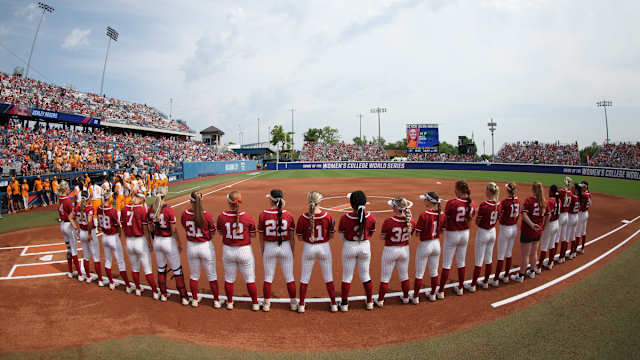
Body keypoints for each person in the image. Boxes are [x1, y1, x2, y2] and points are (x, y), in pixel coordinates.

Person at [295, 191, 338, 313]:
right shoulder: (329, 216)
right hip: (324, 247)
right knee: (328, 276)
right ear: (320, 201)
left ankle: (302, 305)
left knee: (304, 277)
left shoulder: (303, 217)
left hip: (309, 247)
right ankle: (334, 304)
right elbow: (331, 235)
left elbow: (299, 237)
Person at [217, 191, 259, 310]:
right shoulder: (247, 216)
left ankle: (229, 302)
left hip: (228, 250)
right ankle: (255, 303)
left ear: (228, 202)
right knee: (250, 279)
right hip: (244, 250)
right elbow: (253, 235)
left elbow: (220, 232)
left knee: (229, 278)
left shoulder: (222, 216)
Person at [257, 189, 298, 312]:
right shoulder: (289, 215)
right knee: (289, 277)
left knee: (268, 277)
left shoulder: (263, 214)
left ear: (271, 200)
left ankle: (266, 304)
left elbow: (261, 236)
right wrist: (292, 251)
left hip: (269, 246)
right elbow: (292, 237)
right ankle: (293, 303)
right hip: (285, 247)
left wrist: (263, 250)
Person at [337, 190, 376, 311]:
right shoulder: (371, 217)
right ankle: (369, 302)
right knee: (365, 274)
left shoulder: (345, 218)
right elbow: (371, 233)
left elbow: (341, 236)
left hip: (349, 246)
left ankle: (344, 304)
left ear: (351, 203)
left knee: (347, 276)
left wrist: (349, 243)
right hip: (364, 245)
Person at [437, 180, 475, 298]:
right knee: (461, 261)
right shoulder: (471, 203)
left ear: (459, 190)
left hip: (452, 233)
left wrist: (441, 228)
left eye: (455, 188)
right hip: (465, 233)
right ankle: (460, 287)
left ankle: (441, 291)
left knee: (447, 263)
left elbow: (444, 218)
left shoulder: (452, 203)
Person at [375, 197, 415, 307]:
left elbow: (382, 237)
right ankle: (406, 297)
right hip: (404, 250)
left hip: (390, 250)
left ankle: (380, 300)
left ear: (395, 208)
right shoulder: (411, 221)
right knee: (404, 275)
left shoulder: (389, 221)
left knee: (385, 277)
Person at [121, 190, 159, 298]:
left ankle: (137, 288)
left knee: (135, 267)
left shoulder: (124, 209)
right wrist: (149, 242)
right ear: (141, 199)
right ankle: (155, 292)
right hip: (140, 241)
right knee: (147, 268)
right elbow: (145, 229)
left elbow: (123, 226)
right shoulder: (142, 210)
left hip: (129, 241)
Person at [466, 183, 500, 292]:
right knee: (488, 258)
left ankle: (473, 285)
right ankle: (485, 281)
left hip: (483, 232)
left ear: (489, 192)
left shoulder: (484, 205)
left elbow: (477, 221)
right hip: (492, 231)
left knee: (479, 260)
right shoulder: (498, 204)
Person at [511, 181, 547, 283]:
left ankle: (521, 275)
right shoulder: (543, 201)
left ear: (533, 190)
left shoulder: (529, 201)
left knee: (525, 255)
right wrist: (541, 226)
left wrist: (531, 224)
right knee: (534, 252)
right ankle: (532, 271)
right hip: (538, 230)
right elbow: (545, 215)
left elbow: (524, 215)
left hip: (528, 230)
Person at [413, 192, 445, 303]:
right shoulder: (442, 214)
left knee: (419, 273)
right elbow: (442, 230)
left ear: (430, 201)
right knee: (434, 271)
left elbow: (417, 234)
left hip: (425, 245)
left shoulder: (424, 215)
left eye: (425, 199)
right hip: (436, 244)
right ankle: (432, 294)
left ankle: (416, 297)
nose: (424, 200)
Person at [97, 190, 132, 291]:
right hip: (113, 237)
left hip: (104, 237)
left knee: (108, 261)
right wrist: (120, 235)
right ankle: (128, 286)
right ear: (109, 198)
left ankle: (111, 282)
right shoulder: (112, 211)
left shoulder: (100, 208)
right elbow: (117, 226)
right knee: (120, 261)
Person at [491, 182, 520, 287]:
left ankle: (495, 279)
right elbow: (517, 216)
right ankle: (506, 276)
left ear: (508, 190)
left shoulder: (504, 202)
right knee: (508, 253)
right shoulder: (517, 200)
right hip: (514, 227)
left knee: (500, 255)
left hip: (506, 228)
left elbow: (499, 215)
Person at [57, 181, 82, 278]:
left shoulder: (60, 199)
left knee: (69, 249)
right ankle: (79, 274)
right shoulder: (67, 200)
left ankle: (70, 271)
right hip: (68, 225)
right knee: (74, 250)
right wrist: (76, 227)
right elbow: (73, 215)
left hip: (62, 225)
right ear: (66, 189)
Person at [538, 185, 560, 271]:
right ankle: (550, 263)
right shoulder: (558, 200)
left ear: (551, 192)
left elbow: (547, 215)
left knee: (544, 246)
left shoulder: (550, 202)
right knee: (552, 245)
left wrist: (543, 226)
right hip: (556, 223)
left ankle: (538, 267)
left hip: (550, 224)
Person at [556, 177, 573, 263]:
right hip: (567, 215)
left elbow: (556, 194)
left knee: (556, 238)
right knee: (564, 237)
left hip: (561, 215)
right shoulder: (570, 193)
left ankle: (551, 261)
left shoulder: (561, 192)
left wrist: (563, 188)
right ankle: (562, 257)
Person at [567, 183, 582, 259]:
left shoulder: (572, 197)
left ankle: (562, 256)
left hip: (570, 217)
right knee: (573, 236)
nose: (571, 188)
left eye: (573, 187)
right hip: (576, 217)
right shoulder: (579, 197)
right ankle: (573, 252)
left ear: (575, 190)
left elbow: (567, 194)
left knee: (566, 237)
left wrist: (567, 185)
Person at [576, 181, 592, 254]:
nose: (580, 188)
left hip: (582, 214)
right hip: (586, 213)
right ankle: (582, 248)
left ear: (585, 187)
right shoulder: (589, 193)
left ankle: (575, 249)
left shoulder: (584, 195)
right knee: (583, 231)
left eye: (582, 186)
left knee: (578, 232)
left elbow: (581, 206)